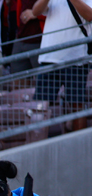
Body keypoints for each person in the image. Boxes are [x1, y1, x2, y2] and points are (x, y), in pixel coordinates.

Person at [33, 0, 92, 133]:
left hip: (76, 60)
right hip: (49, 58)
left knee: (77, 106)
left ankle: (79, 143)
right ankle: (39, 141)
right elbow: (36, 11)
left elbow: (90, 15)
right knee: (41, 105)